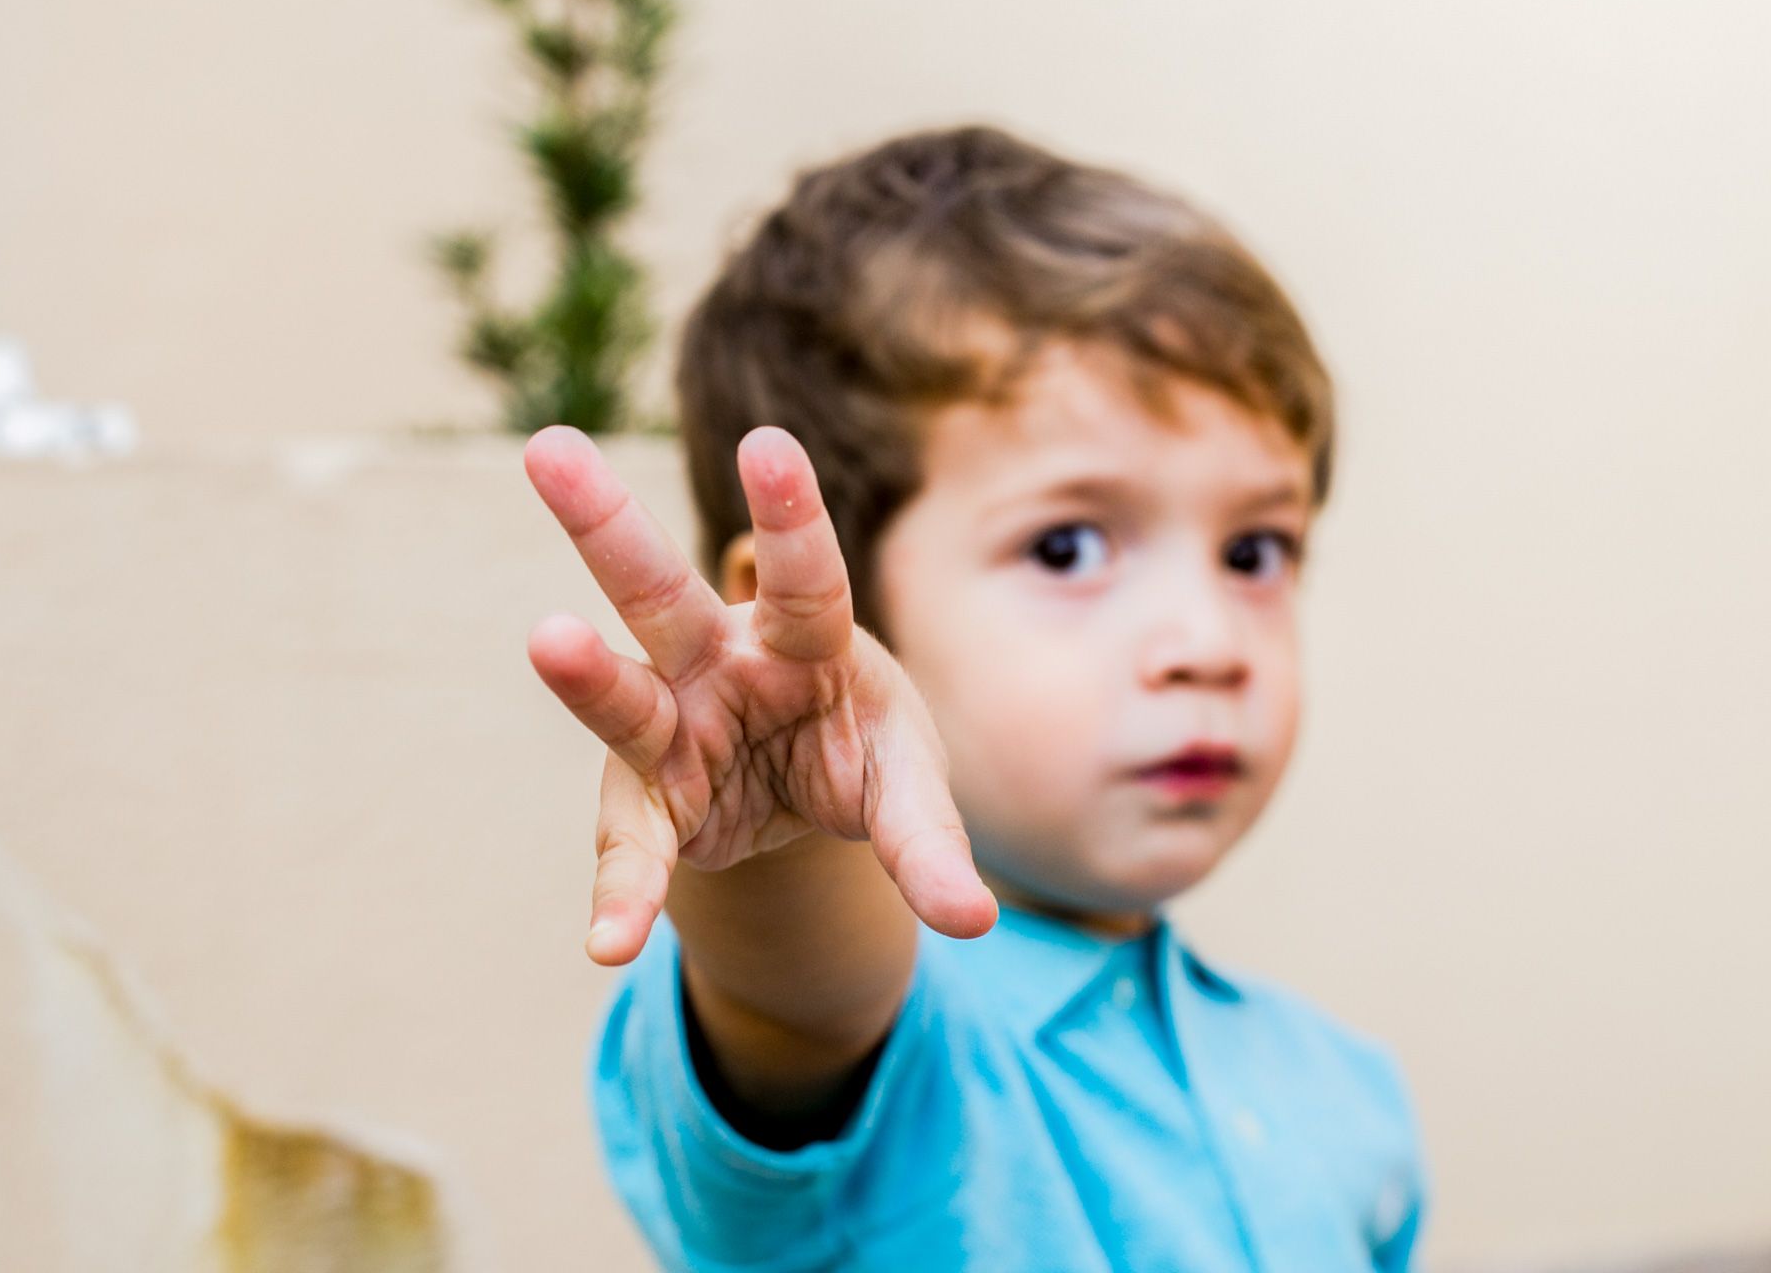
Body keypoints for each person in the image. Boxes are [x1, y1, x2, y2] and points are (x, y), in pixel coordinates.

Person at [523, 125, 1428, 1271]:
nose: (1207, 643)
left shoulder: (1345, 1091)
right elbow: (801, 1000)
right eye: (1066, 545)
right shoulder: (888, 1058)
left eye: (1254, 551)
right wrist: (781, 831)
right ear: (813, 619)